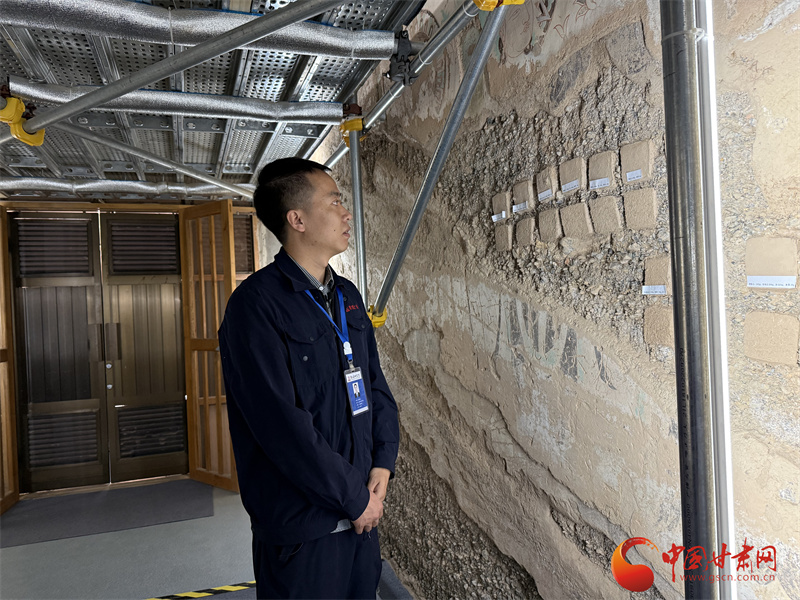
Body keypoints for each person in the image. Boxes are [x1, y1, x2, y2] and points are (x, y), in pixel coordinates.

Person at [219, 157, 399, 600]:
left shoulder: (347, 295)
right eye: (334, 201)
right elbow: (281, 427)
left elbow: (375, 385)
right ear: (297, 219)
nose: (346, 213)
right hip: (304, 533)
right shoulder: (255, 307)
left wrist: (383, 461)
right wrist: (354, 498)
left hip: (360, 520)